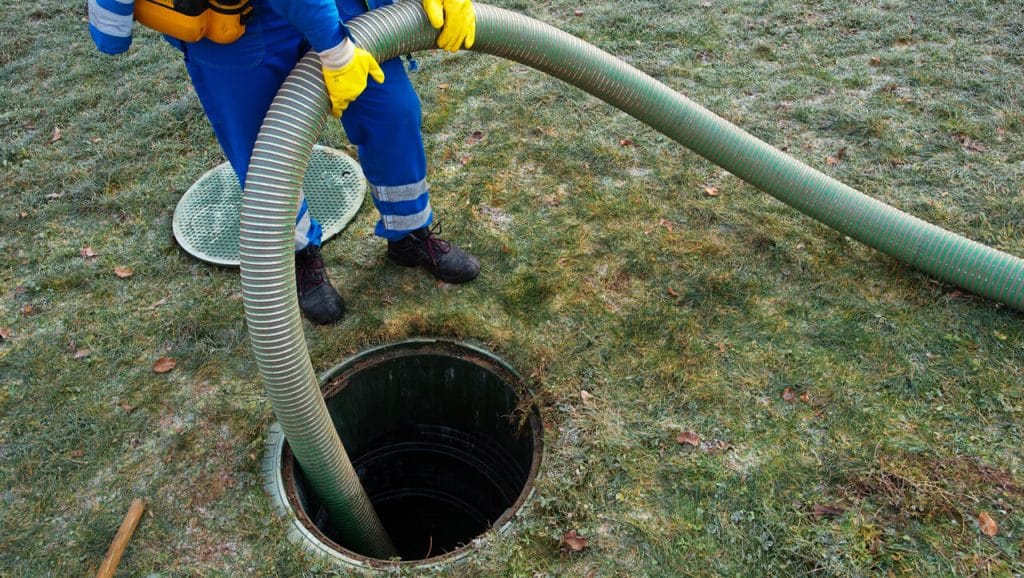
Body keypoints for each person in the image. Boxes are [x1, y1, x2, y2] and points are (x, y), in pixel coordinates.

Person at [88, 0, 480, 325]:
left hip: (337, 6)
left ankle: (409, 233)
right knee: (264, 154)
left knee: (391, 111)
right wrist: (335, 50)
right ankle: (300, 255)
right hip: (235, 24)